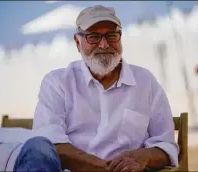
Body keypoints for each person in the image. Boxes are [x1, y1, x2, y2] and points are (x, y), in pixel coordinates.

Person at [13, 5, 179, 172]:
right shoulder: (57, 83)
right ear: (78, 42)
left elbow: (165, 145)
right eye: (93, 37)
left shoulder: (145, 81)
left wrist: (143, 156)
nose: (104, 44)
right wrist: (102, 168)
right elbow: (50, 144)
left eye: (112, 35)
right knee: (36, 146)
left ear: (120, 38)